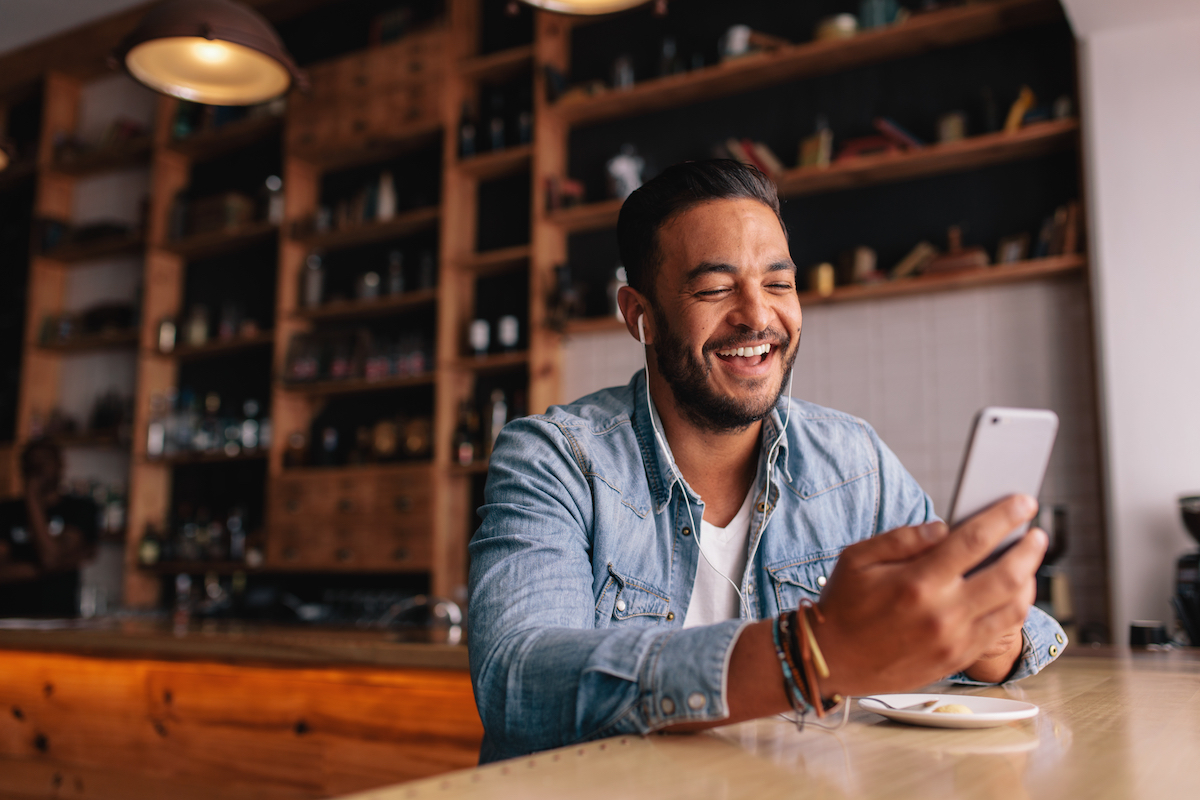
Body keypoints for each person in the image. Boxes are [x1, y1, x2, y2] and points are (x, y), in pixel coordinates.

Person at [468, 160, 1065, 763]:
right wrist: (807, 652)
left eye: (778, 284)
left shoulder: (853, 461)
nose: (758, 316)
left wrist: (987, 636)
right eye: (714, 288)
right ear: (637, 314)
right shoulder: (555, 459)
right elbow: (518, 683)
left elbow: (987, 642)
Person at [0, 438, 98, 617]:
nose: (37, 467)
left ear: (60, 464)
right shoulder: (5, 510)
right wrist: (54, 568)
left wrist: (31, 497)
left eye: (44, 460)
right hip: (7, 620)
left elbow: (49, 557)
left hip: (59, 620)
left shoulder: (80, 508)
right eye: (31, 462)